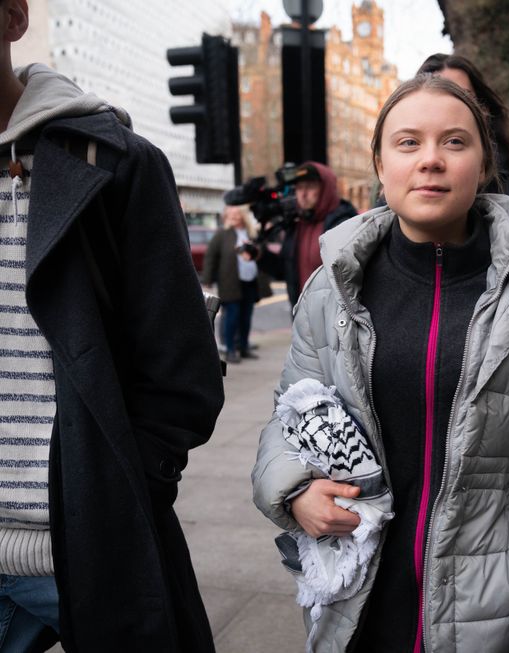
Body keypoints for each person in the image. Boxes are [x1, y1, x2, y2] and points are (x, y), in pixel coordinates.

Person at [252, 74, 509, 652]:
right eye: (408, 142)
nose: (431, 160)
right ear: (381, 165)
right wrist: (292, 490)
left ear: (484, 165)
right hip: (359, 588)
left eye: (455, 142)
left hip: (484, 587)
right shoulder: (331, 287)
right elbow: (292, 410)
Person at [0, 1, 224, 650]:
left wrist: (127, 490)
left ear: (14, 18)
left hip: (88, 550)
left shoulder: (115, 164)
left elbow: (182, 372)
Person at [417, 53, 509, 210]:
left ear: (485, 111)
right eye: (439, 97)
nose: (451, 107)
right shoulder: (396, 196)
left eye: (464, 97)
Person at [277, 161, 357, 306]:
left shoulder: (344, 224)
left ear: (326, 188)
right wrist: (260, 255)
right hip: (302, 313)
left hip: (336, 314)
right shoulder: (296, 224)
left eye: (310, 186)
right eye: (299, 188)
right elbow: (284, 270)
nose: (303, 194)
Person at [203, 205, 271, 363]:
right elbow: (210, 256)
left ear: (244, 215)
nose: (233, 216)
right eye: (230, 214)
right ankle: (230, 350)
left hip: (250, 281)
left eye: (237, 213)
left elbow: (262, 251)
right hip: (230, 281)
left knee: (246, 317)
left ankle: (244, 347)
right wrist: (208, 278)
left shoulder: (252, 233)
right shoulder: (222, 234)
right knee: (231, 317)